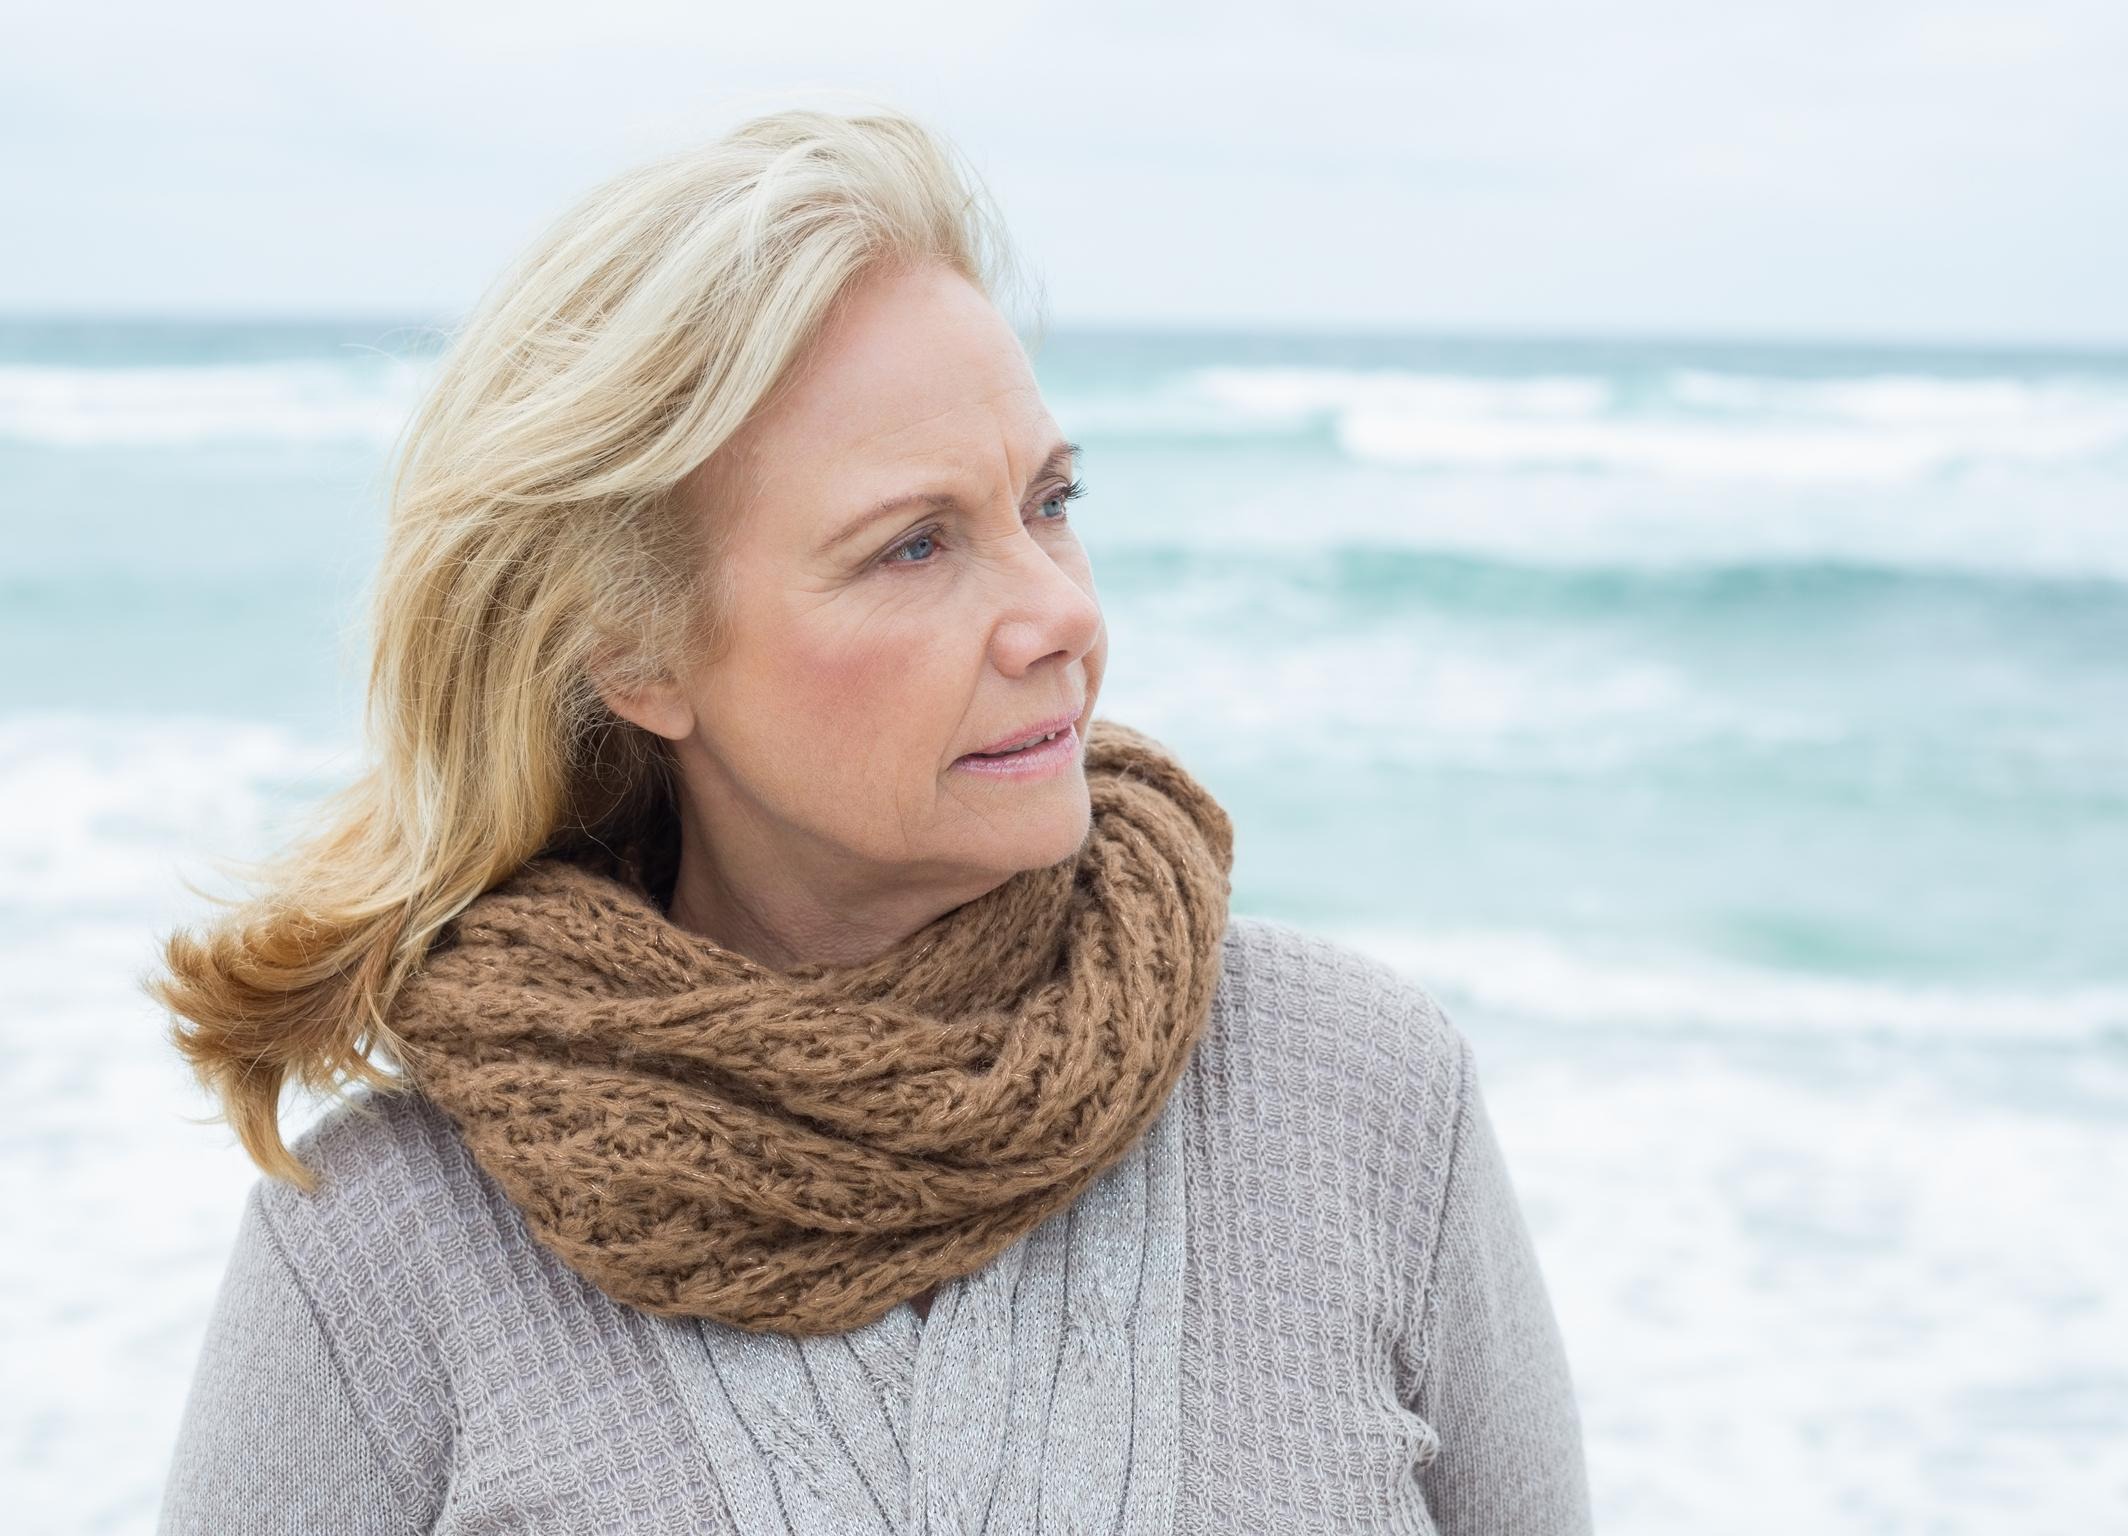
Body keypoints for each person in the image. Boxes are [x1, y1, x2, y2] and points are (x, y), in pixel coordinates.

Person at [147, 104, 1591, 1535]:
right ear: (633, 654)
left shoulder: (1361, 1100)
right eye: (915, 544)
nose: (1061, 611)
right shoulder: (386, 1251)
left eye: (1051, 500)